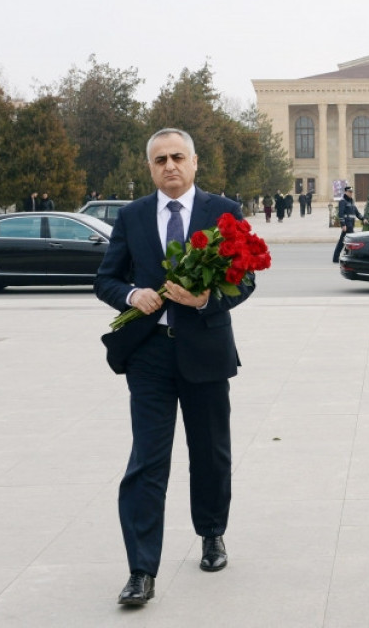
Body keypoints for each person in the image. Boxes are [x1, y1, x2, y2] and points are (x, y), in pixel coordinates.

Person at [94, 128, 255, 608]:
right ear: (150, 167)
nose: (170, 166)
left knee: (210, 452)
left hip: (205, 350)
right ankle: (141, 571)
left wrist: (208, 298)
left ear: (194, 162)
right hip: (149, 355)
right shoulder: (132, 216)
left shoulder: (223, 212)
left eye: (177, 157)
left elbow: (244, 281)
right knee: (147, 461)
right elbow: (106, 278)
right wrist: (129, 294)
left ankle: (211, 533)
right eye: (160, 159)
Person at [332, 186, 364, 263]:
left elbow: (357, 213)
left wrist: (363, 219)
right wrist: (343, 225)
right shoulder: (342, 201)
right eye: (349, 192)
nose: (351, 193)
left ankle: (336, 258)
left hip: (351, 223)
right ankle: (352, 257)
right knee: (353, 240)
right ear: (345, 192)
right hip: (347, 224)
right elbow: (341, 214)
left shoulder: (351, 202)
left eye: (351, 192)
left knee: (343, 241)